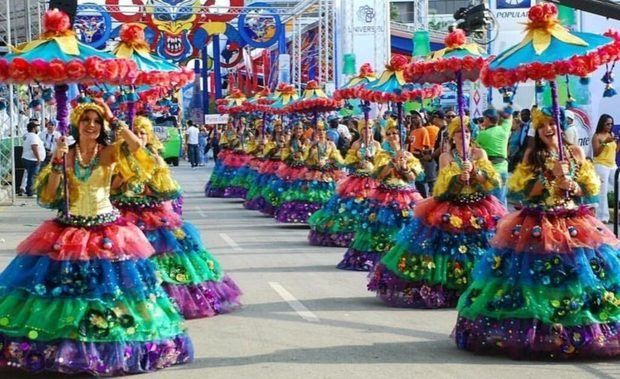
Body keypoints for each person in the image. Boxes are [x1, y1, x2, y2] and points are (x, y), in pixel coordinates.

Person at [0, 101, 193, 374]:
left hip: (106, 231)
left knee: (108, 293)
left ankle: (103, 351)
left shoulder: (109, 153)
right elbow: (48, 195)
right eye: (85, 120)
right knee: (64, 294)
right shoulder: (66, 154)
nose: (91, 125)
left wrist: (113, 119)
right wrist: (56, 160)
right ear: (76, 125)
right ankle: (64, 350)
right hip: (68, 230)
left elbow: (137, 147)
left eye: (96, 121)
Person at [454, 107, 619, 359]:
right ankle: (540, 332)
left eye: (552, 124)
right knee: (534, 277)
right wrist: (549, 177)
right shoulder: (533, 155)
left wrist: (572, 184)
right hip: (539, 222)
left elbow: (588, 189)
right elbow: (522, 194)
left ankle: (583, 331)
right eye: (542, 126)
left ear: (561, 126)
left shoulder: (574, 152)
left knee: (580, 277)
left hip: (573, 221)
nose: (548, 129)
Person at [368, 117, 506, 308]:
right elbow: (441, 187)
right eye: (459, 133)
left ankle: (479, 288)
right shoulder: (445, 157)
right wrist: (458, 178)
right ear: (452, 136)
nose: (463, 136)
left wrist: (475, 172)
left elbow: (494, 181)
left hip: (479, 206)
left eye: (466, 132)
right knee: (448, 248)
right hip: (452, 206)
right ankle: (451, 289)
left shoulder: (479, 153)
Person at [112, 116, 241, 318]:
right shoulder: (117, 159)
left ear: (149, 136)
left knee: (166, 253)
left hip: (153, 215)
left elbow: (167, 190)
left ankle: (170, 298)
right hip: (123, 213)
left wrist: (148, 181)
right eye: (135, 132)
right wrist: (119, 182)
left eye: (143, 133)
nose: (139, 136)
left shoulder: (155, 158)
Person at [338, 122, 423, 271]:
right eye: (388, 134)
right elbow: (379, 176)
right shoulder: (382, 154)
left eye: (394, 133)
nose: (391, 137)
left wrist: (404, 166)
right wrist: (391, 163)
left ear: (401, 135)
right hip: (385, 194)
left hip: (406, 196)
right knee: (381, 225)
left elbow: (412, 177)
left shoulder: (409, 156)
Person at [308, 120, 382, 246]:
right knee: (352, 204)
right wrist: (358, 163)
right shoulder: (355, 145)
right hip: (358, 179)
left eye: (369, 128)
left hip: (373, 179)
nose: (367, 131)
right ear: (360, 131)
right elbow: (348, 161)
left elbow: (381, 162)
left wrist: (373, 161)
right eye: (364, 128)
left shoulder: (376, 144)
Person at [275, 122, 344, 223]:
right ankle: (309, 215)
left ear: (326, 131)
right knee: (311, 194)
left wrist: (328, 161)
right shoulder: (311, 144)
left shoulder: (330, 144)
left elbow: (338, 159)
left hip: (326, 173)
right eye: (318, 130)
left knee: (326, 194)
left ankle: (324, 218)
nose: (321, 132)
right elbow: (304, 159)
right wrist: (310, 149)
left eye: (323, 130)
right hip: (313, 172)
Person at [475, 108, 511, 205]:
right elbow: (508, 117)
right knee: (502, 201)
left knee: (490, 203)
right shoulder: (504, 130)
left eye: (483, 119)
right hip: (503, 168)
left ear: (487, 119)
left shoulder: (483, 134)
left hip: (489, 171)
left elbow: (475, 149)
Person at [592, 113, 619, 223]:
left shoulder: (611, 134)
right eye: (607, 124)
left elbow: (615, 151)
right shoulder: (597, 136)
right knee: (602, 192)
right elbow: (596, 153)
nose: (610, 126)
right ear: (602, 124)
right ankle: (602, 218)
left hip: (612, 165)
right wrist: (604, 143)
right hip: (601, 165)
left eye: (611, 124)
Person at [407, 110, 431, 197]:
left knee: (421, 181)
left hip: (420, 159)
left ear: (420, 118)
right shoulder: (413, 132)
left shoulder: (423, 130)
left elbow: (426, 147)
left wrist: (421, 155)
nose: (413, 119)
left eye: (415, 117)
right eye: (412, 118)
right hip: (412, 159)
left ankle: (424, 198)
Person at [21, 120, 45, 197]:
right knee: (32, 176)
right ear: (34, 128)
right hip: (32, 159)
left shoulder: (27, 135)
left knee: (29, 176)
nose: (38, 128)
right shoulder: (34, 136)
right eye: (37, 127)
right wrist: (38, 158)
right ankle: (30, 192)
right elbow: (34, 147)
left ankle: (28, 190)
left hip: (26, 158)